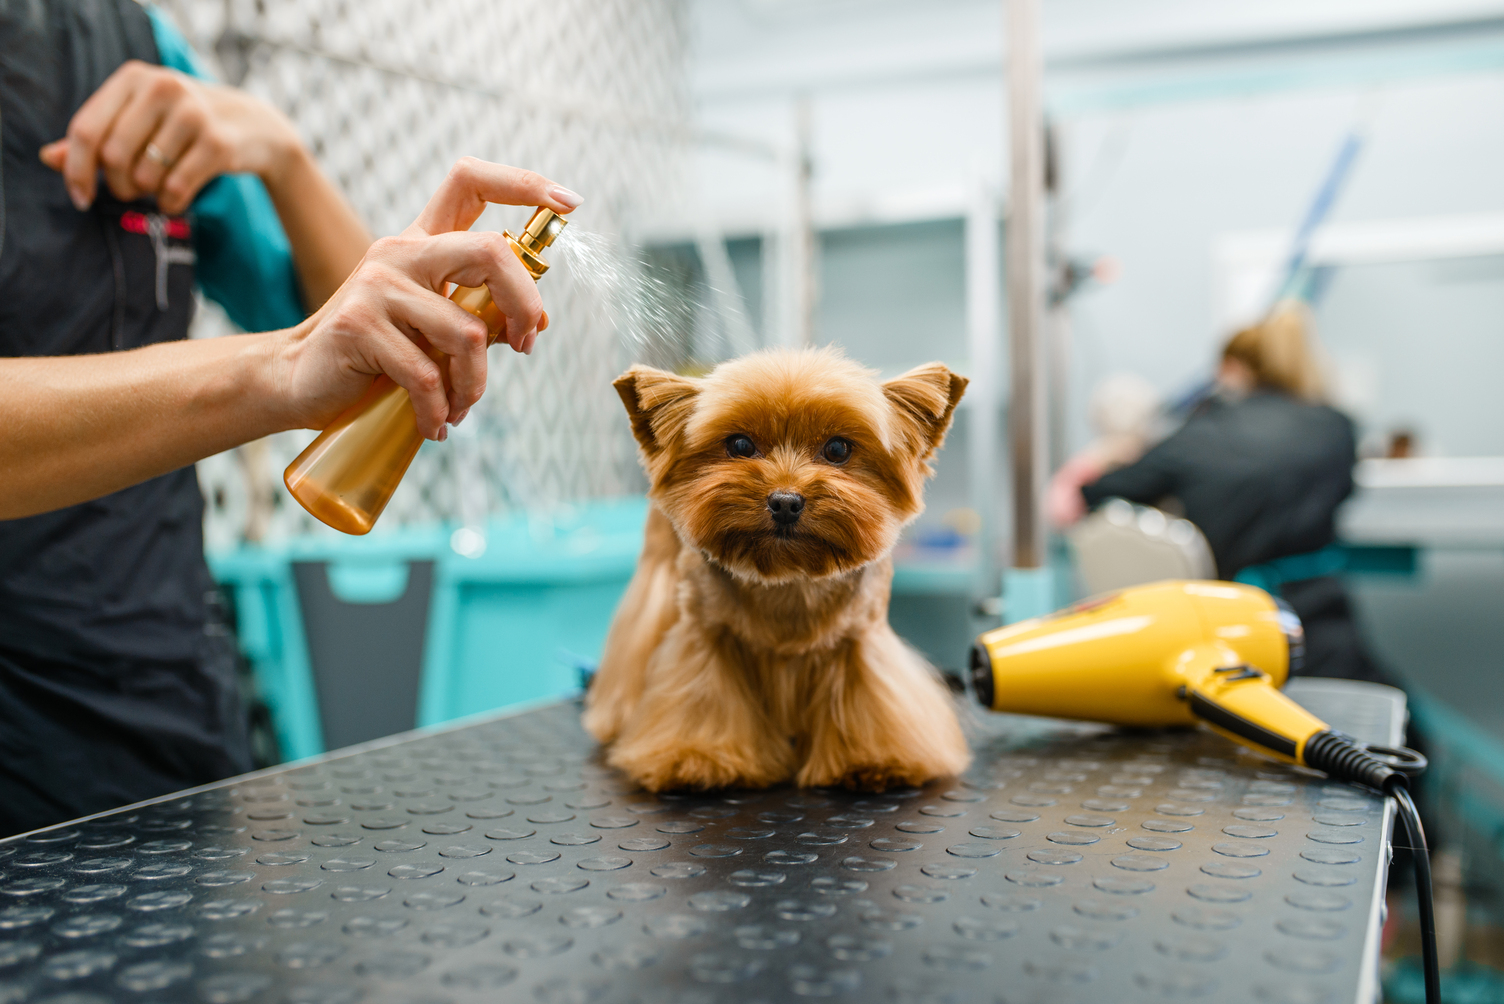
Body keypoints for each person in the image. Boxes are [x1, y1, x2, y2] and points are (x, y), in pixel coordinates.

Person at [0, 0, 581, 836]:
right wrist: (278, 367)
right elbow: (305, 354)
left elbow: (354, 347)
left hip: (160, 670)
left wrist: (282, 154)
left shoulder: (138, 44)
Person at [1080, 302, 1383, 682]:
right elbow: (1343, 493)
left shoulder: (1202, 433)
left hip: (1241, 625)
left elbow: (1102, 492)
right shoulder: (1336, 427)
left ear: (1232, 370)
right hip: (1327, 622)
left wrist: (1115, 457)